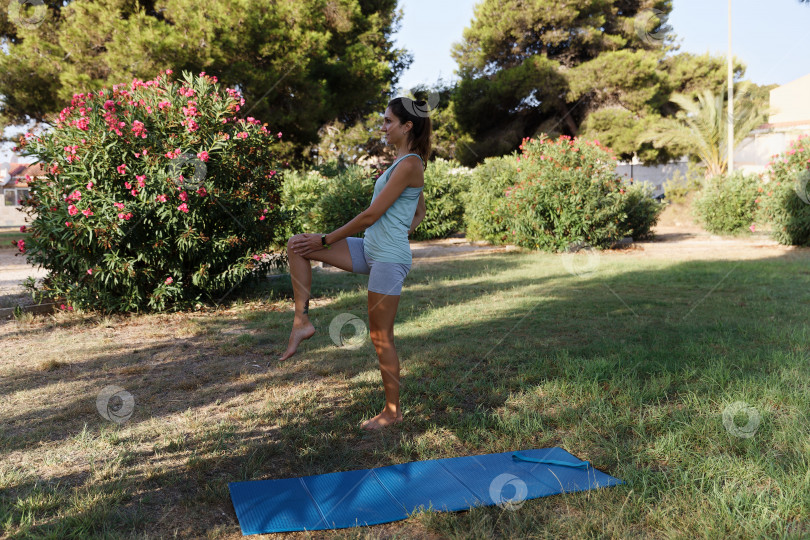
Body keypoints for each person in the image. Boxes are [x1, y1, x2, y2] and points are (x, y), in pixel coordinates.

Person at [279, 97, 431, 430]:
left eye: (389, 121)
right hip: (372, 249)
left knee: (381, 337)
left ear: (408, 126)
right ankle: (301, 321)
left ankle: (393, 412)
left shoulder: (410, 164)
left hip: (388, 258)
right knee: (297, 245)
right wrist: (400, 229)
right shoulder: (401, 163)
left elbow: (371, 215)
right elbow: (418, 211)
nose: (384, 126)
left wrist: (328, 238)